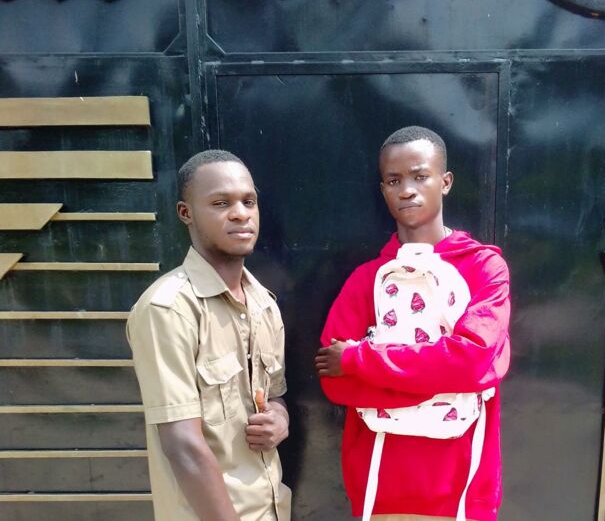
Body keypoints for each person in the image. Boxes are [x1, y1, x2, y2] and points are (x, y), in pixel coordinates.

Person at [315, 126, 510, 521]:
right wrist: (444, 384)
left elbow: (473, 361)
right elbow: (334, 382)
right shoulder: (367, 279)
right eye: (394, 181)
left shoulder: (484, 268)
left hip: (461, 490)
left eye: (420, 176)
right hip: (380, 491)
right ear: (383, 189)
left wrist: (360, 360)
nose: (406, 190)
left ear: (445, 181)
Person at [127, 150, 291, 521]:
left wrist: (280, 420)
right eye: (220, 203)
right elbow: (182, 445)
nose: (240, 214)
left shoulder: (264, 305)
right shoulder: (168, 309)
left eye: (248, 201)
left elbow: (275, 395)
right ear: (185, 213)